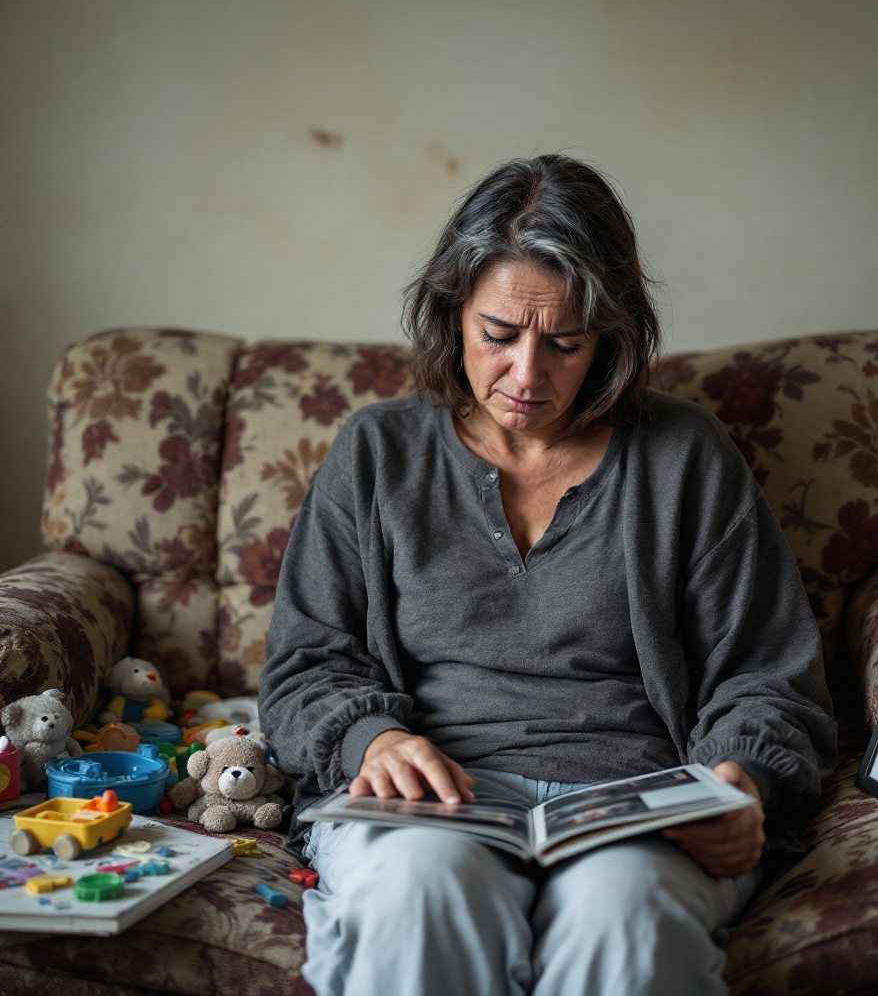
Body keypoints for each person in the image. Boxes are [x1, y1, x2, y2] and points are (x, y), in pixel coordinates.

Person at [259, 155, 837, 996]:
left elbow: (767, 673)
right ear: (453, 314)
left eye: (565, 343)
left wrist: (739, 780)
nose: (528, 377)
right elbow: (304, 662)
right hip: (435, 802)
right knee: (420, 894)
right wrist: (372, 741)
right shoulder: (375, 453)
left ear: (612, 338)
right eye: (499, 335)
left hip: (636, 799)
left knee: (625, 917)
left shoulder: (685, 458)